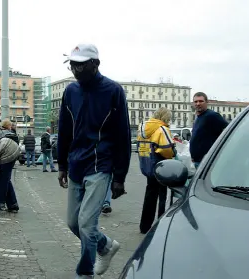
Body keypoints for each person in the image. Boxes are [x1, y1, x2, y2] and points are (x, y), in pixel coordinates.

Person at [58, 43, 131, 278]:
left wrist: (119, 177)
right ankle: (106, 246)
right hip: (76, 164)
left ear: (95, 64)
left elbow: (123, 135)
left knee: (87, 226)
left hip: (101, 165)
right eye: (72, 66)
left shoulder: (113, 91)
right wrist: (62, 165)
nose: (76, 71)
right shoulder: (71, 92)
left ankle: (84, 273)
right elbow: (64, 130)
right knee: (73, 223)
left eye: (80, 66)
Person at [137, 107, 175, 234]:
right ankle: (161, 224)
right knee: (163, 196)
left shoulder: (143, 127)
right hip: (160, 165)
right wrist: (173, 153)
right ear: (165, 117)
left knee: (150, 195)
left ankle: (144, 226)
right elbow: (166, 149)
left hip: (147, 165)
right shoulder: (162, 129)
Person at [189, 92, 228, 169]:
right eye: (196, 101)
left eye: (201, 101)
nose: (198, 104)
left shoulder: (212, 115)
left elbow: (228, 130)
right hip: (198, 161)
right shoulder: (199, 117)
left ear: (207, 102)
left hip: (207, 162)